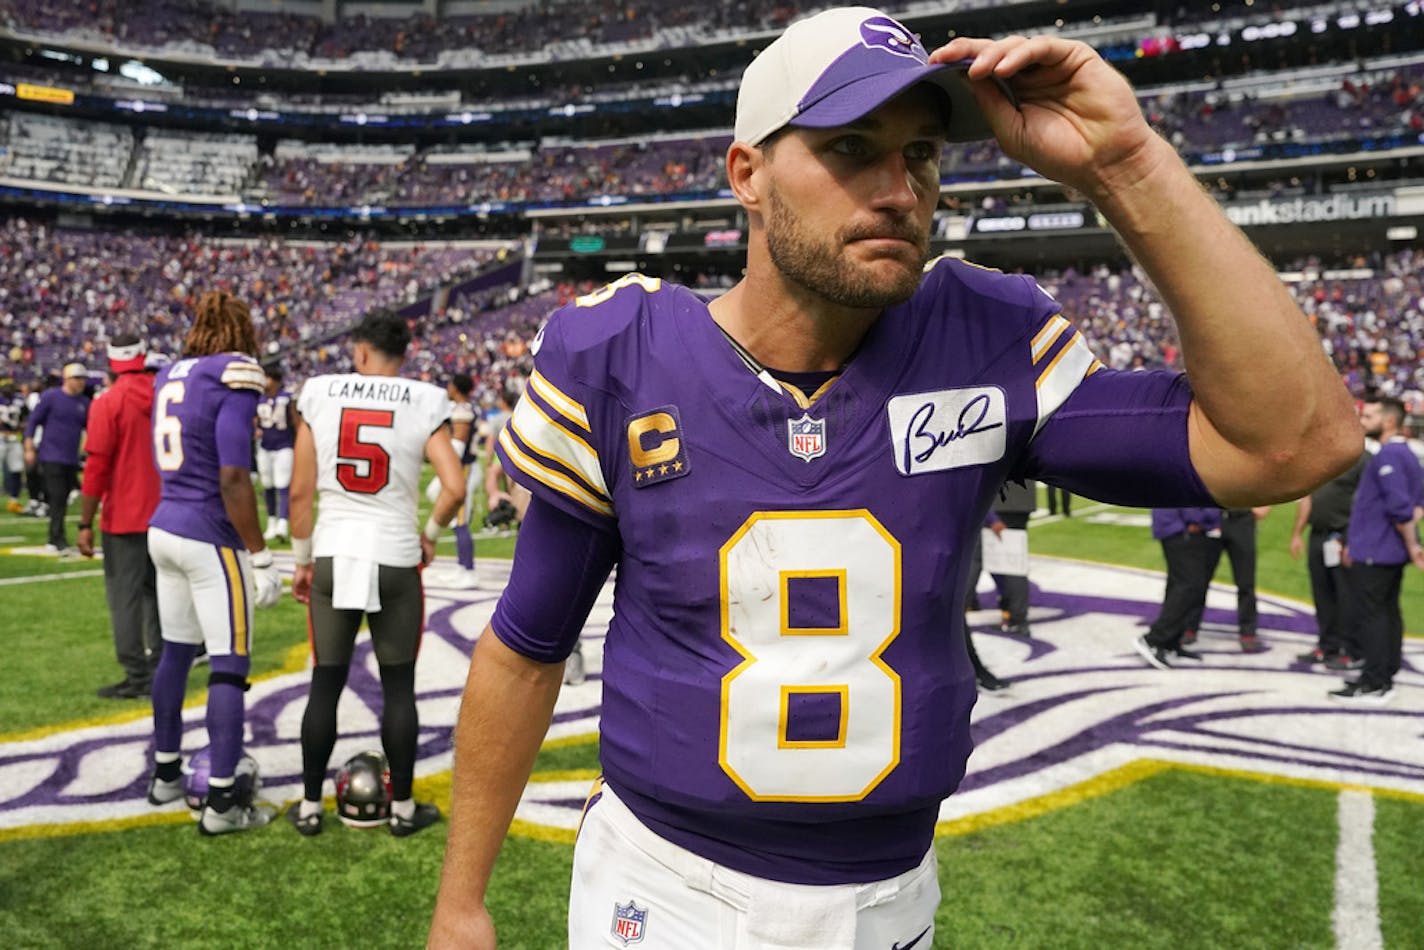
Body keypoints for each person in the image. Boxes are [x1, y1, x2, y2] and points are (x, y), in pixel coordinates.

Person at [428, 9, 1360, 947]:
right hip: (662, 889)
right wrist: (461, 900)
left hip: (890, 903)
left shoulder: (983, 338)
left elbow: (1293, 446)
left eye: (920, 153)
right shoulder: (622, 354)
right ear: (746, 173)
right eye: (850, 148)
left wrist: (1127, 166)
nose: (897, 189)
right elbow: (526, 644)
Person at [284, 310, 467, 837]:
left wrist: (300, 558)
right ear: (403, 356)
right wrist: (428, 535)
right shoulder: (423, 398)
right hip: (394, 555)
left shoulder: (320, 392)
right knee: (399, 689)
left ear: (361, 352)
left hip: (335, 552)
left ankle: (310, 806)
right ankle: (404, 810)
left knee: (325, 685)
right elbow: (453, 487)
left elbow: (299, 491)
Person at [142, 291, 283, 835]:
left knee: (176, 654)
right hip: (208, 533)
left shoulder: (172, 373)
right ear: (242, 332)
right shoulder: (236, 373)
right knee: (228, 664)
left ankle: (165, 775)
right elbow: (232, 475)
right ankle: (223, 802)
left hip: (164, 525)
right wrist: (261, 556)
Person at [77, 333, 163, 700]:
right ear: (142, 355)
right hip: (168, 512)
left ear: (112, 361)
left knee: (124, 598)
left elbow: (96, 465)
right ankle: (164, 667)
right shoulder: (167, 394)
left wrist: (84, 522)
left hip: (125, 515)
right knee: (161, 596)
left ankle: (138, 676)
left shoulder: (108, 401)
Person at [1331, 396, 1424, 703]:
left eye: (1369, 416)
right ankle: (1384, 674)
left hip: (1377, 551)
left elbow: (1400, 509)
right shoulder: (1407, 455)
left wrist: (1412, 543)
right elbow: (1416, 502)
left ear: (1388, 421)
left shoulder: (1389, 456)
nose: (1362, 420)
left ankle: (1374, 681)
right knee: (1386, 613)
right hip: (1386, 550)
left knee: (1372, 615)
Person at [1289, 451, 1368, 667]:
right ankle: (1327, 645)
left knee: (1346, 595)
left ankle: (1351, 649)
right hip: (1318, 534)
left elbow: (1365, 503)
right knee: (1322, 593)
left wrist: (1352, 539)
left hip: (1341, 535)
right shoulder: (1319, 456)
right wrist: (1297, 533)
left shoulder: (1361, 458)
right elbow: (1308, 497)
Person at [1134, 507, 1222, 669]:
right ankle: (1154, 639)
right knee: (1189, 585)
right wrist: (1200, 519)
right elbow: (1185, 493)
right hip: (1179, 526)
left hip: (1181, 525)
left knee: (1182, 584)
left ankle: (1171, 641)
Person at [23, 362, 90, 554]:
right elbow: (33, 422)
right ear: (67, 379)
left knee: (65, 496)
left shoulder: (83, 402)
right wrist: (29, 447)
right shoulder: (51, 397)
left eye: (82, 379)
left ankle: (57, 536)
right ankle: (55, 538)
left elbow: (90, 427)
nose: (81, 383)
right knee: (58, 496)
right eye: (77, 379)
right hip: (51, 454)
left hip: (70, 457)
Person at [983, 478, 1035, 637]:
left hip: (1000, 500)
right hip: (1021, 498)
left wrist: (991, 516)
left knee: (1008, 565)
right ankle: (1014, 615)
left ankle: (1017, 618)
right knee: (1012, 564)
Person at [256, 364, 296, 542]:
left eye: (268, 377)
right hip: (265, 446)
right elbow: (254, 419)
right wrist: (255, 428)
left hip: (284, 445)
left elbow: (295, 421)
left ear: (276, 380)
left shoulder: (286, 398)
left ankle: (282, 523)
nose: (265, 382)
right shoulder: (259, 399)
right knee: (268, 485)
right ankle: (272, 522)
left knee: (283, 484)